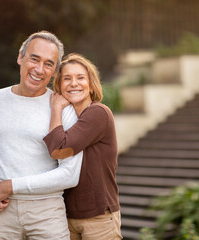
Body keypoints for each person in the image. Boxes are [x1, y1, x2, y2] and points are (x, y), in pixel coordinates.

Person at [0, 31, 84, 240]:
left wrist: (9, 186)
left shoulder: (63, 108)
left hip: (46, 212)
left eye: (49, 64)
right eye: (34, 59)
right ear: (20, 57)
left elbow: (70, 174)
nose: (39, 69)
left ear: (54, 71)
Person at [44, 53, 122, 240]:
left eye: (80, 78)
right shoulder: (65, 119)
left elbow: (58, 150)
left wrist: (55, 107)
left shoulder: (98, 113)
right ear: (59, 85)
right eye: (67, 78)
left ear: (91, 84)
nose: (74, 83)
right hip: (67, 216)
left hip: (98, 217)